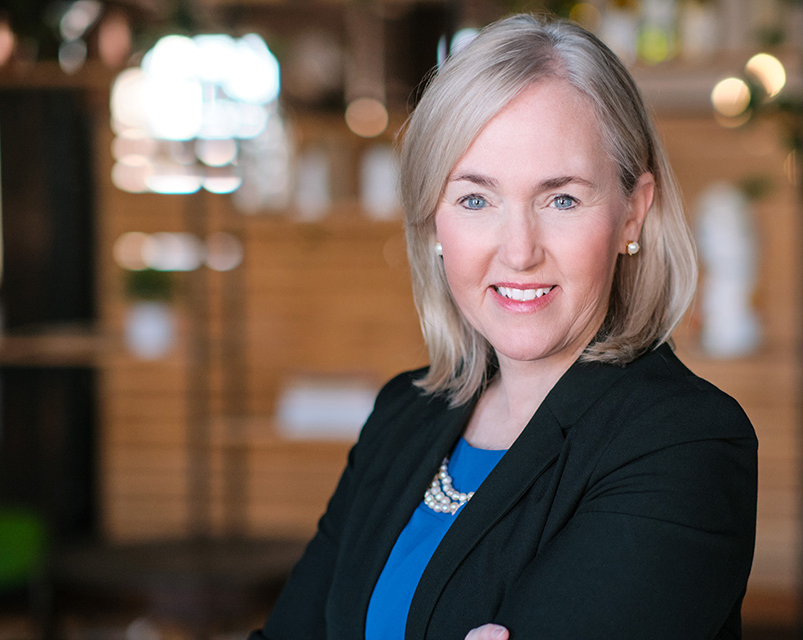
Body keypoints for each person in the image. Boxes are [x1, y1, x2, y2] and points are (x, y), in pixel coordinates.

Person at [251, 13, 757, 640]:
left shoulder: (682, 445)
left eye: (561, 198)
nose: (519, 251)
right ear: (434, 221)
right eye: (475, 199)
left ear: (633, 213)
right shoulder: (402, 415)